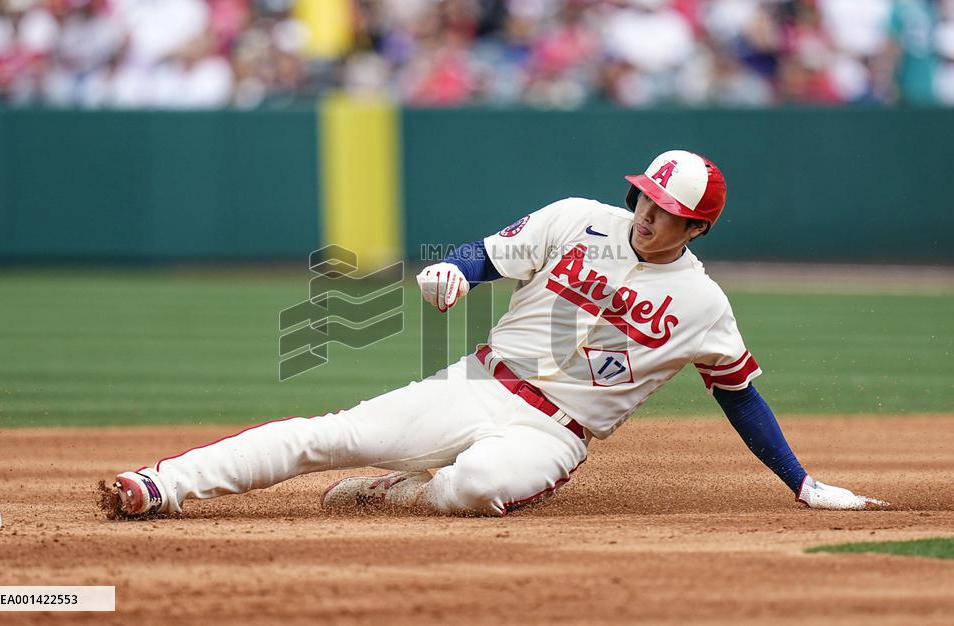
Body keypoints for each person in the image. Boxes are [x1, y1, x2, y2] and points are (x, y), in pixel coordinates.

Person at [110, 149, 886, 518]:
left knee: (477, 489)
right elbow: (483, 255)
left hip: (555, 433)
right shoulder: (577, 218)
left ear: (696, 225)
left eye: (665, 212)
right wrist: (452, 271)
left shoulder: (703, 304)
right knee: (328, 436)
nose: (647, 215)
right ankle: (161, 484)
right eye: (645, 198)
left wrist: (801, 481)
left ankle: (403, 492)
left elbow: (739, 395)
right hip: (476, 382)